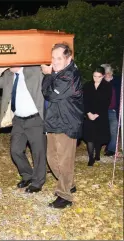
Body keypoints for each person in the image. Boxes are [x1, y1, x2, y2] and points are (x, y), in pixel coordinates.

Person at [0, 66, 46, 193]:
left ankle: (37, 182)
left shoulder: (34, 70)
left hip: (35, 119)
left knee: (38, 153)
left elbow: (47, 71)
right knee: (15, 150)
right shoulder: (9, 75)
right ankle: (27, 175)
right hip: (18, 120)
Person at [41, 43, 83, 209]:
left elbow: (49, 93)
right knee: (51, 158)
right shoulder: (59, 73)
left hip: (67, 123)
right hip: (54, 122)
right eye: (53, 57)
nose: (55, 61)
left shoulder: (70, 75)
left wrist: (48, 74)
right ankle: (69, 183)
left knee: (65, 162)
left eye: (59, 58)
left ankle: (64, 196)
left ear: (68, 58)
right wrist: (51, 75)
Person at [82, 66, 112, 166]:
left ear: (103, 76)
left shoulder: (107, 86)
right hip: (89, 114)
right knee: (90, 137)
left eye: (99, 76)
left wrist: (97, 114)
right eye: (94, 76)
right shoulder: (87, 86)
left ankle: (97, 154)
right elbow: (84, 101)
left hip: (101, 115)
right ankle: (91, 158)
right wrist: (89, 113)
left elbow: (106, 102)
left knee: (98, 136)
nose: (96, 78)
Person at [101, 64, 121, 157]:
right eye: (105, 74)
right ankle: (108, 145)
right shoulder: (100, 82)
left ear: (111, 73)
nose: (107, 75)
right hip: (103, 111)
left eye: (108, 73)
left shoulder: (118, 81)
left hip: (114, 111)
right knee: (105, 130)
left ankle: (111, 149)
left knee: (114, 131)